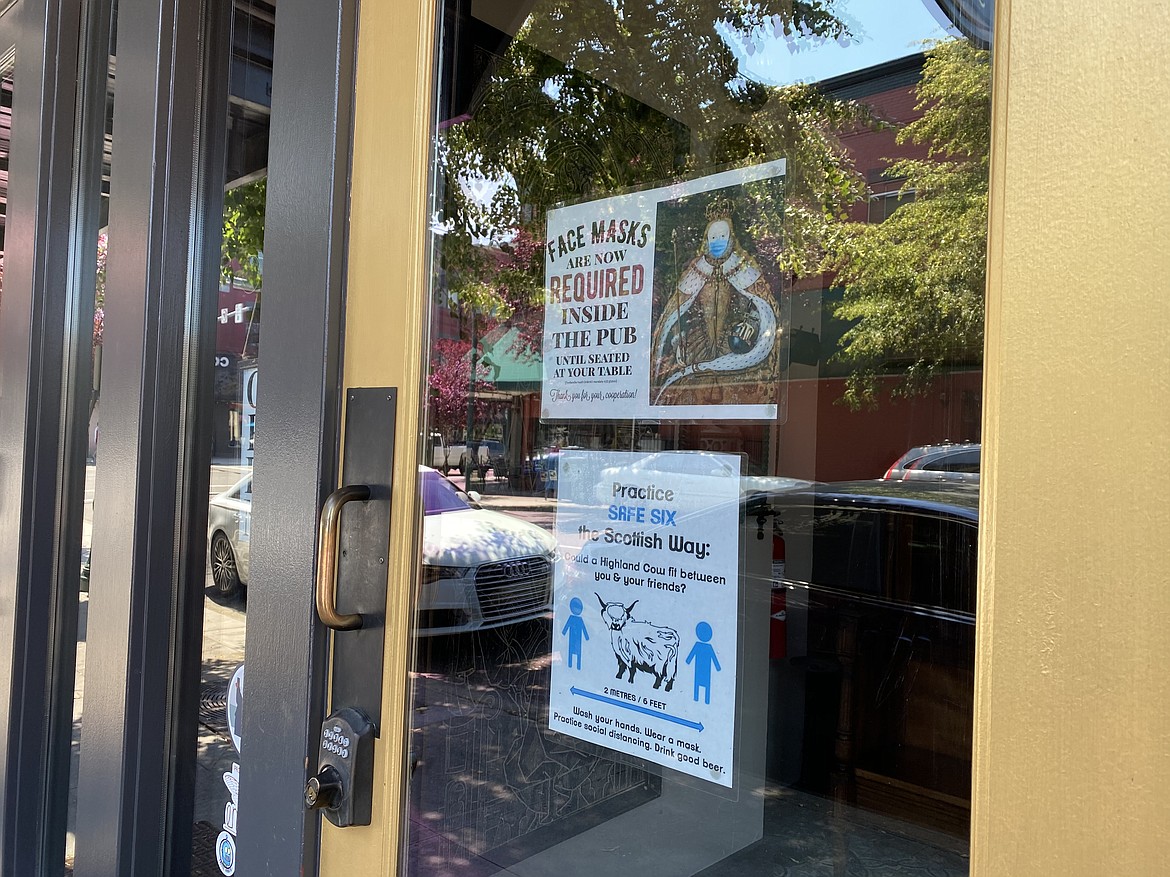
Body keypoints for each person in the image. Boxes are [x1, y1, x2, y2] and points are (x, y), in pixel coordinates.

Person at [650, 195, 779, 406]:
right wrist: (676, 340)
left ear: (731, 237)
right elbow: (678, 311)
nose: (717, 241)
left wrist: (751, 324)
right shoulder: (695, 270)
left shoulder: (744, 267)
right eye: (713, 237)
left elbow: (763, 305)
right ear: (706, 240)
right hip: (696, 344)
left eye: (722, 235)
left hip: (734, 342)